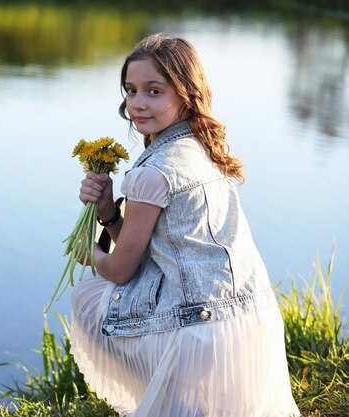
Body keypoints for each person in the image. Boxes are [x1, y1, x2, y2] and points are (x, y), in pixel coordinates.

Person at [70, 33, 300, 417]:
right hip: (252, 324)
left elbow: (122, 269)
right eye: (130, 90)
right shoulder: (203, 148)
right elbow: (153, 244)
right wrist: (108, 211)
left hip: (202, 334)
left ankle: (169, 386)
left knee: (89, 294)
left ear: (186, 94)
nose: (137, 104)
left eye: (154, 91)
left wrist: (88, 252)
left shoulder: (153, 173)